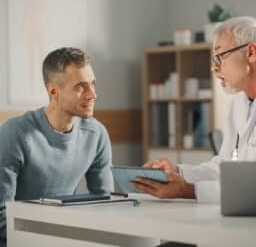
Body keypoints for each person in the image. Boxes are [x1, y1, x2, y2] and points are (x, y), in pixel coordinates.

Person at [133, 16, 256, 203]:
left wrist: (188, 190)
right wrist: (178, 172)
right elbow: (224, 167)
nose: (215, 68)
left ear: (251, 53)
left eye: (221, 56)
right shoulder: (238, 104)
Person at [0, 47, 114, 246]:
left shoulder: (96, 135)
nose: (92, 95)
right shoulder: (15, 134)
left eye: (92, 84)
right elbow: (2, 216)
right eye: (81, 87)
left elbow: (104, 205)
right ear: (53, 91)